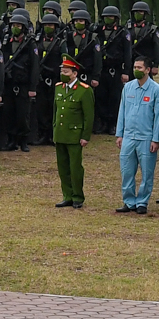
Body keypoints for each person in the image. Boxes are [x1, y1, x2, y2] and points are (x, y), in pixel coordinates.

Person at [114, 58, 159, 215]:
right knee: (127, 170)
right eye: (134, 67)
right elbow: (122, 111)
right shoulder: (128, 87)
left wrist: (156, 139)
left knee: (147, 172)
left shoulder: (156, 90)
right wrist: (119, 134)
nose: (136, 70)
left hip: (146, 137)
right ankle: (129, 201)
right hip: (129, 136)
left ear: (148, 69)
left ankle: (142, 201)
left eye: (139, 67)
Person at [50, 57, 93, 208]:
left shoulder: (84, 90)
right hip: (61, 134)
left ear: (74, 74)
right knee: (63, 167)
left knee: (75, 168)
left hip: (75, 135)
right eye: (62, 71)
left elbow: (89, 116)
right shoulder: (58, 87)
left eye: (66, 71)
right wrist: (54, 129)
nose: (63, 74)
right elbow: (56, 111)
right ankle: (67, 195)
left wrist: (85, 136)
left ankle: (77, 196)